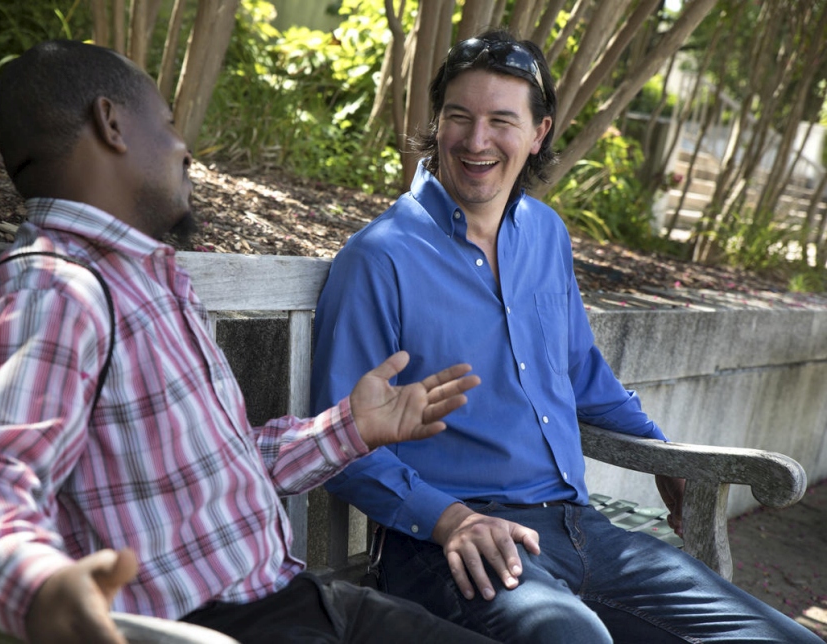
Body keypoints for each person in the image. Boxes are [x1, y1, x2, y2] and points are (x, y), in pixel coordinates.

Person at [0, 39, 497, 644]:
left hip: (299, 598)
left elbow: (225, 467)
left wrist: (351, 427)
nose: (183, 148)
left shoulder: (145, 281)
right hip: (213, 627)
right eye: (167, 124)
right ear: (111, 123)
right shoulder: (56, 288)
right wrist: (41, 589)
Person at [310, 28, 821, 644]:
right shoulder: (380, 257)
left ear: (538, 133)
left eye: (502, 120)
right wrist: (449, 520)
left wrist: (664, 456)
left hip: (582, 531)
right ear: (437, 121)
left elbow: (582, 374)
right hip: (450, 543)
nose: (476, 140)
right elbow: (338, 442)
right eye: (459, 116)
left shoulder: (545, 234)